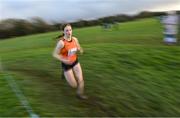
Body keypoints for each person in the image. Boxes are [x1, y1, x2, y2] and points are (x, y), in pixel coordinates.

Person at [53, 24, 88, 99]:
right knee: (74, 85)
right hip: (66, 64)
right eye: (67, 30)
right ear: (63, 31)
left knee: (80, 79)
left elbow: (78, 46)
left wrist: (80, 50)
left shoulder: (75, 39)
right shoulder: (61, 43)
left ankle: (79, 94)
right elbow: (55, 54)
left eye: (70, 30)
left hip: (75, 61)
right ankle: (64, 72)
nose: (69, 32)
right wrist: (64, 60)